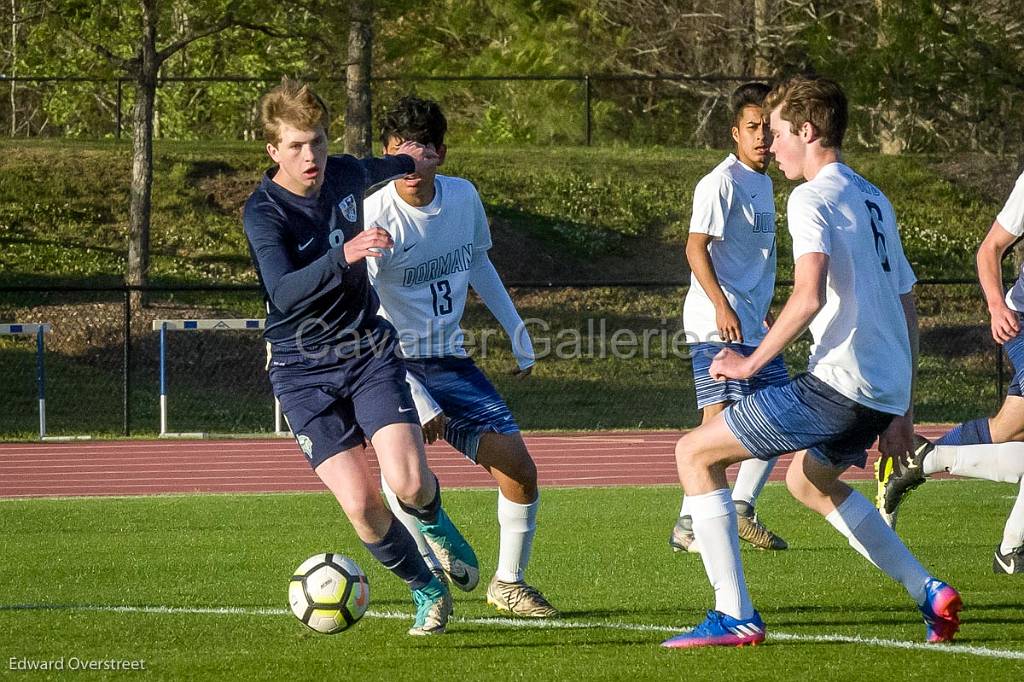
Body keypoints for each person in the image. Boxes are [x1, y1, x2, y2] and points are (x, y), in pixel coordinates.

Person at [662, 75, 962, 649]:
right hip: (879, 390)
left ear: (807, 130)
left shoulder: (810, 196)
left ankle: (735, 614)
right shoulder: (873, 196)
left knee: (694, 453)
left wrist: (748, 366)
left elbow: (808, 295)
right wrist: (901, 408)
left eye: (777, 132)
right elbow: (907, 304)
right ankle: (929, 591)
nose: (771, 146)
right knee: (808, 481)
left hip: (837, 387)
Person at [242, 79, 478, 636]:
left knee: (410, 482)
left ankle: (434, 521)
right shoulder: (264, 213)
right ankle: (426, 588)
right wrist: (342, 253)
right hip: (301, 371)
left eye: (318, 142)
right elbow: (283, 291)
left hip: (368, 350)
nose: (311, 157)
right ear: (274, 150)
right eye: (297, 145)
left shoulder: (343, 173)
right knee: (361, 503)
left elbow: (385, 164)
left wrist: (409, 159)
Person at [363, 95, 558, 617]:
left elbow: (477, 263)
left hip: (450, 360)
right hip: (390, 365)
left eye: (420, 150)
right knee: (407, 479)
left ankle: (509, 583)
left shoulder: (463, 199)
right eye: (397, 151)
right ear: (384, 154)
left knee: (520, 469)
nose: (408, 161)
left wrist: (516, 326)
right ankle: (426, 576)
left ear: (440, 154)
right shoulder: (375, 214)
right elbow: (366, 310)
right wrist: (416, 392)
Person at [882, 170, 1024, 574]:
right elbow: (989, 249)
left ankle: (927, 458)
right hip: (1022, 319)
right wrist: (998, 306)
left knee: (1006, 429)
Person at [671, 82, 789, 555]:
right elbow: (694, 247)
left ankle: (739, 508)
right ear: (735, 132)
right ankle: (687, 524)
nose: (762, 136)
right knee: (716, 422)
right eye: (752, 127)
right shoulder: (721, 181)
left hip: (751, 321)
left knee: (779, 416)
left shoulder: (764, 181)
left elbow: (751, 257)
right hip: (714, 322)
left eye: (767, 127)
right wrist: (722, 306)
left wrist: (763, 308)